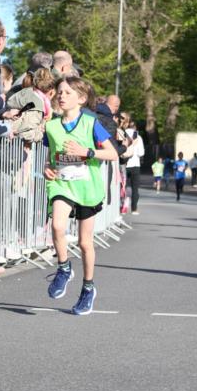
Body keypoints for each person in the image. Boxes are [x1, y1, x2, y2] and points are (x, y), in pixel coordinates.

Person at [43, 76, 117, 315]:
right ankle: (64, 268)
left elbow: (113, 154)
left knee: (85, 243)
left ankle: (88, 288)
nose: (62, 96)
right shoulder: (52, 126)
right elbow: (51, 155)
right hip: (62, 185)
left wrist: (87, 151)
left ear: (81, 99)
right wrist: (47, 167)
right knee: (57, 226)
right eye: (60, 92)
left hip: (86, 186)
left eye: (68, 93)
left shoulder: (90, 123)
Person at [124, 118, 144, 215]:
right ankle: (134, 209)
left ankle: (122, 206)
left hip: (124, 164)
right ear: (135, 127)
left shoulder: (123, 134)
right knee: (135, 188)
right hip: (135, 165)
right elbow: (141, 153)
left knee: (122, 186)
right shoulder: (138, 137)